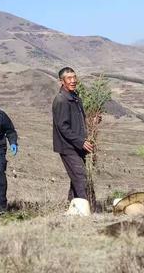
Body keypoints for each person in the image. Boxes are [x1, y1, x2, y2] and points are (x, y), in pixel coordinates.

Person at [52, 67, 93, 201]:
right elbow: (62, 126)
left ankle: (73, 208)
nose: (73, 81)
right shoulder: (61, 100)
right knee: (81, 178)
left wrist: (92, 121)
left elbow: (78, 120)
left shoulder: (75, 97)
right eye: (69, 78)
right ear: (61, 81)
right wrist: (80, 142)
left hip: (77, 146)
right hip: (68, 147)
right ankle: (87, 210)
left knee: (76, 179)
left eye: (74, 77)